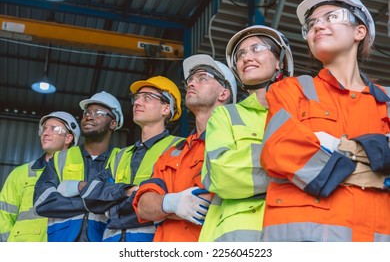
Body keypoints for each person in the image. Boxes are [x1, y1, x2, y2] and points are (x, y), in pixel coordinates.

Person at [260, 0, 390, 242]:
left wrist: (328, 146)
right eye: (311, 24)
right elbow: (279, 148)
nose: (317, 26)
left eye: (331, 16)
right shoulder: (291, 89)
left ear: (359, 32)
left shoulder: (387, 100)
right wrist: (375, 161)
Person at [199, 25, 294, 242]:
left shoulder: (302, 112)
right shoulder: (226, 115)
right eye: (241, 54)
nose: (246, 57)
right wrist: (293, 169)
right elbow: (222, 175)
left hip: (292, 230)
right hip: (237, 237)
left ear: (280, 62)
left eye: (257, 48)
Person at [133, 54, 237, 242]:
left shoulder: (237, 142)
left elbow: (204, 205)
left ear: (224, 93)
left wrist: (164, 206)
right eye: (190, 80)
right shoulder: (174, 152)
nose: (191, 84)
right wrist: (172, 203)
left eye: (202, 78)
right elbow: (143, 206)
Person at [78, 76, 184, 242]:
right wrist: (127, 191)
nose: (137, 103)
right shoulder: (121, 155)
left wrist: (114, 204)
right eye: (136, 98)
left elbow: (173, 200)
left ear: (166, 109)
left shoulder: (180, 148)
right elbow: (92, 197)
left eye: (147, 98)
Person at [33, 91, 123, 242]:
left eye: (98, 113)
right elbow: (42, 203)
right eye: (87, 112)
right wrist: (96, 199)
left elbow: (125, 201)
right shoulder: (61, 158)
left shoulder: (122, 159)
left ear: (113, 123)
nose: (89, 116)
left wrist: (77, 192)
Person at [0, 112, 80, 242]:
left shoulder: (79, 176)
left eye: (54, 128)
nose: (46, 133)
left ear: (68, 138)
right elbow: (3, 216)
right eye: (44, 128)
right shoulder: (21, 173)